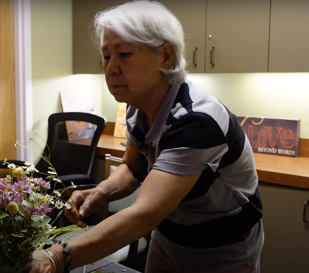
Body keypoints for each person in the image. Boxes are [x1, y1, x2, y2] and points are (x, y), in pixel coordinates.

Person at [29, 1, 264, 272]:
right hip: (168, 239)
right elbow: (133, 168)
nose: (111, 68)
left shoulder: (197, 121)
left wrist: (56, 257)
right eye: (106, 56)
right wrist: (100, 192)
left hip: (222, 248)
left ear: (165, 56)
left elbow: (144, 215)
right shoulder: (136, 106)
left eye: (124, 54)